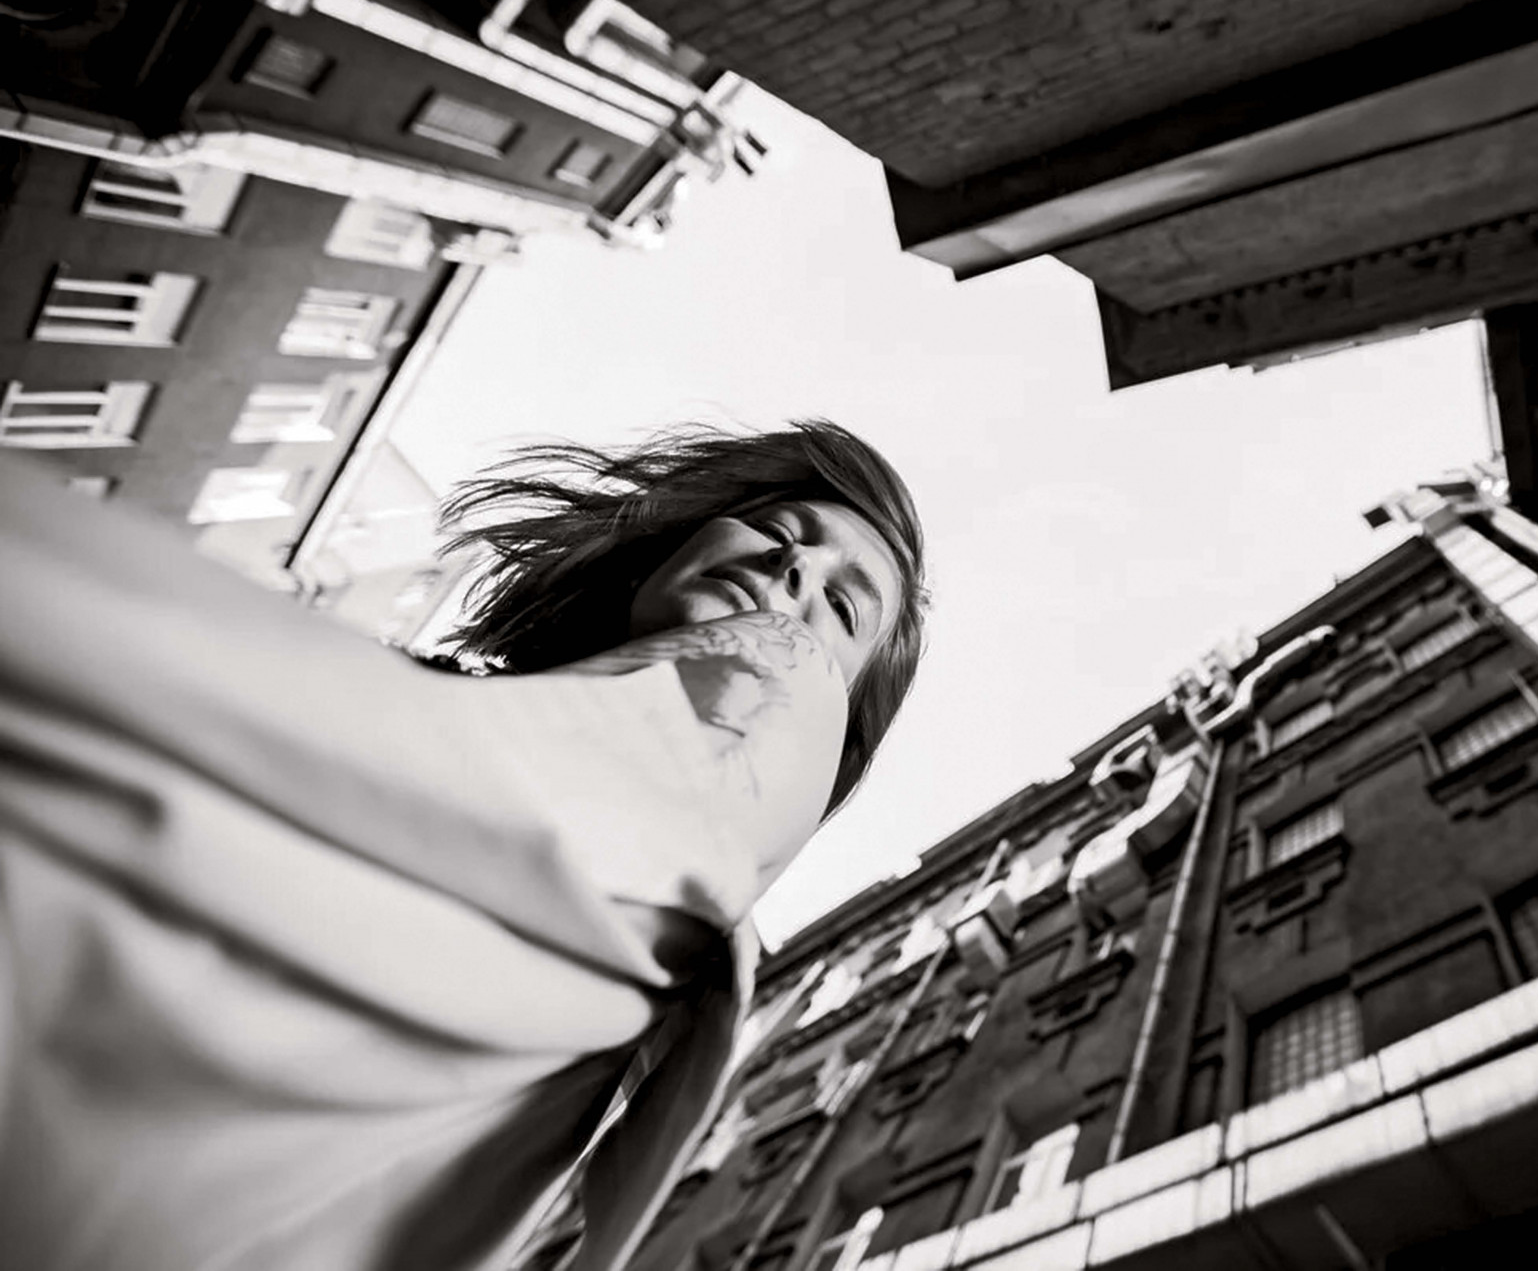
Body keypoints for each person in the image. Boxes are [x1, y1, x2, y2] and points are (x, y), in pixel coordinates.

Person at [0, 420, 928, 1271]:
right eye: (778, 525)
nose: (795, 564)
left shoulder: (769, 706)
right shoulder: (473, 703)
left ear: (838, 736)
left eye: (846, 608)